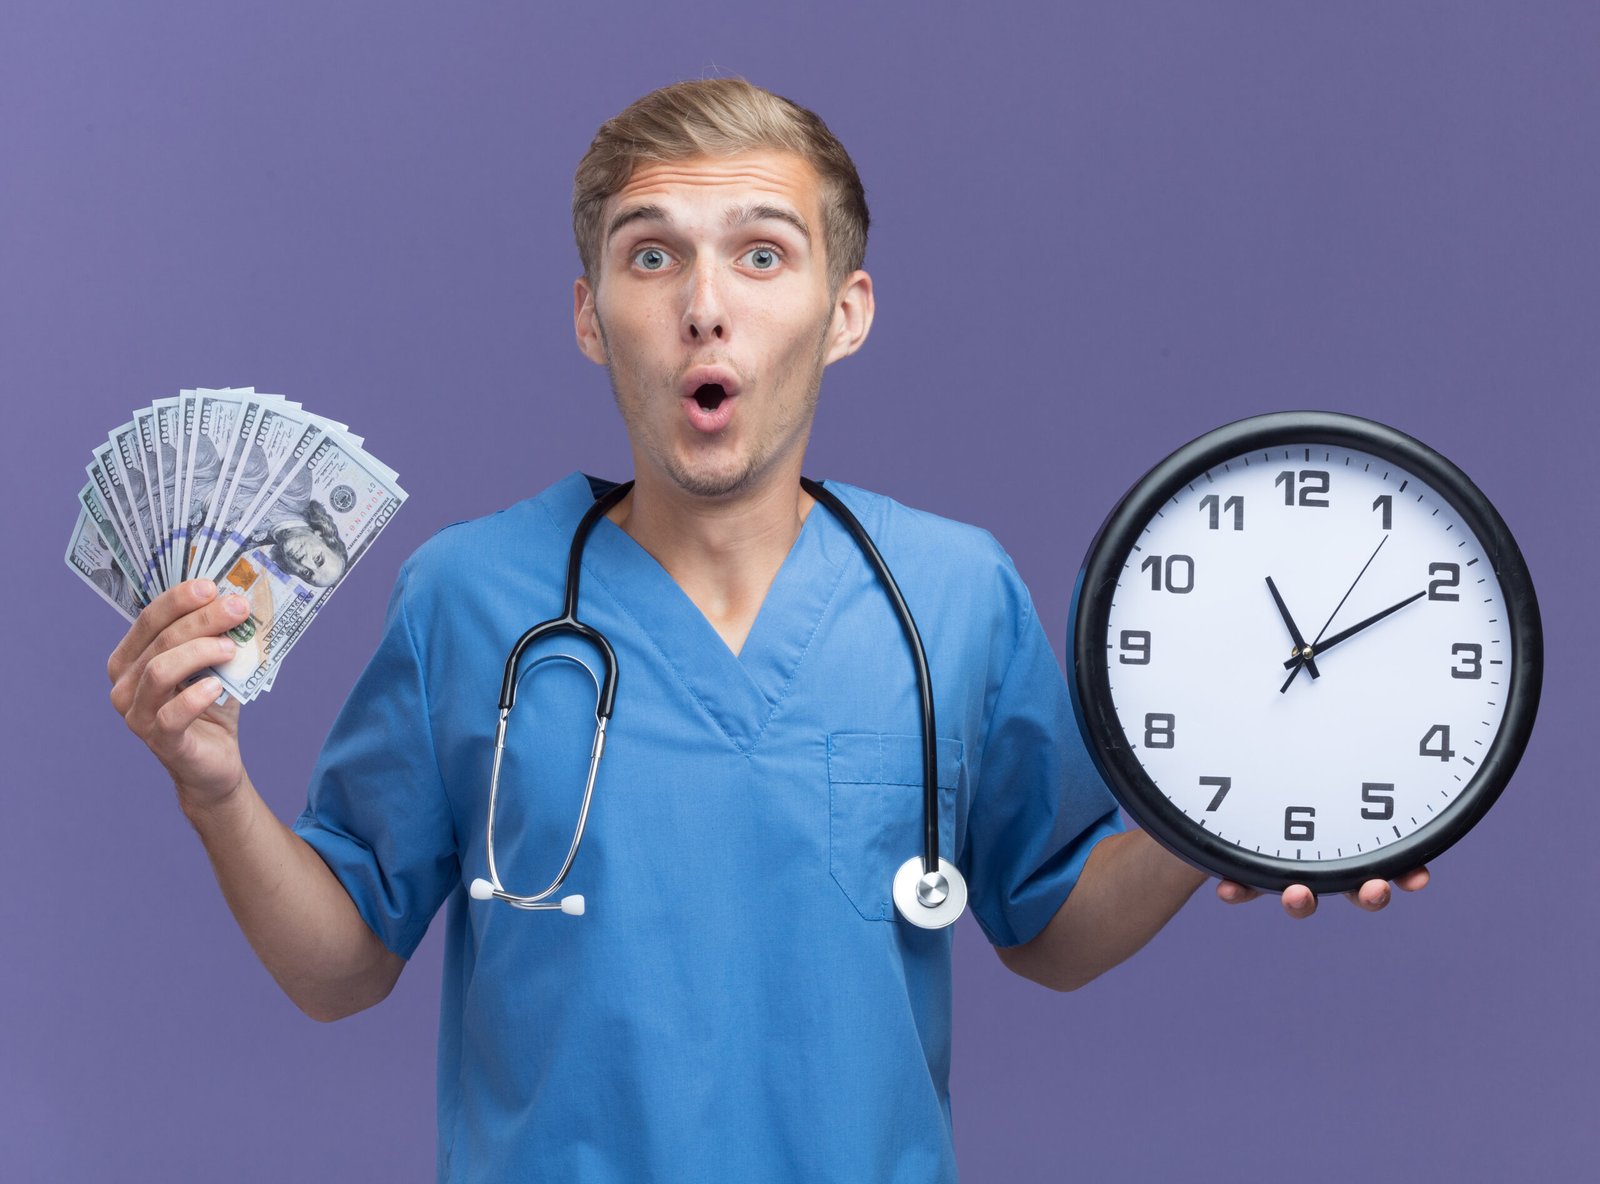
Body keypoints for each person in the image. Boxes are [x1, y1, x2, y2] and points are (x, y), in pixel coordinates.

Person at [107, 78, 1427, 1182]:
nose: (703, 302)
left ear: (843, 313)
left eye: (761, 251)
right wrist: (215, 788)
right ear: (590, 316)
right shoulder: (468, 596)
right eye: (648, 253)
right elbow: (341, 969)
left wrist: (1220, 812)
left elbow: (1052, 930)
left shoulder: (953, 594)